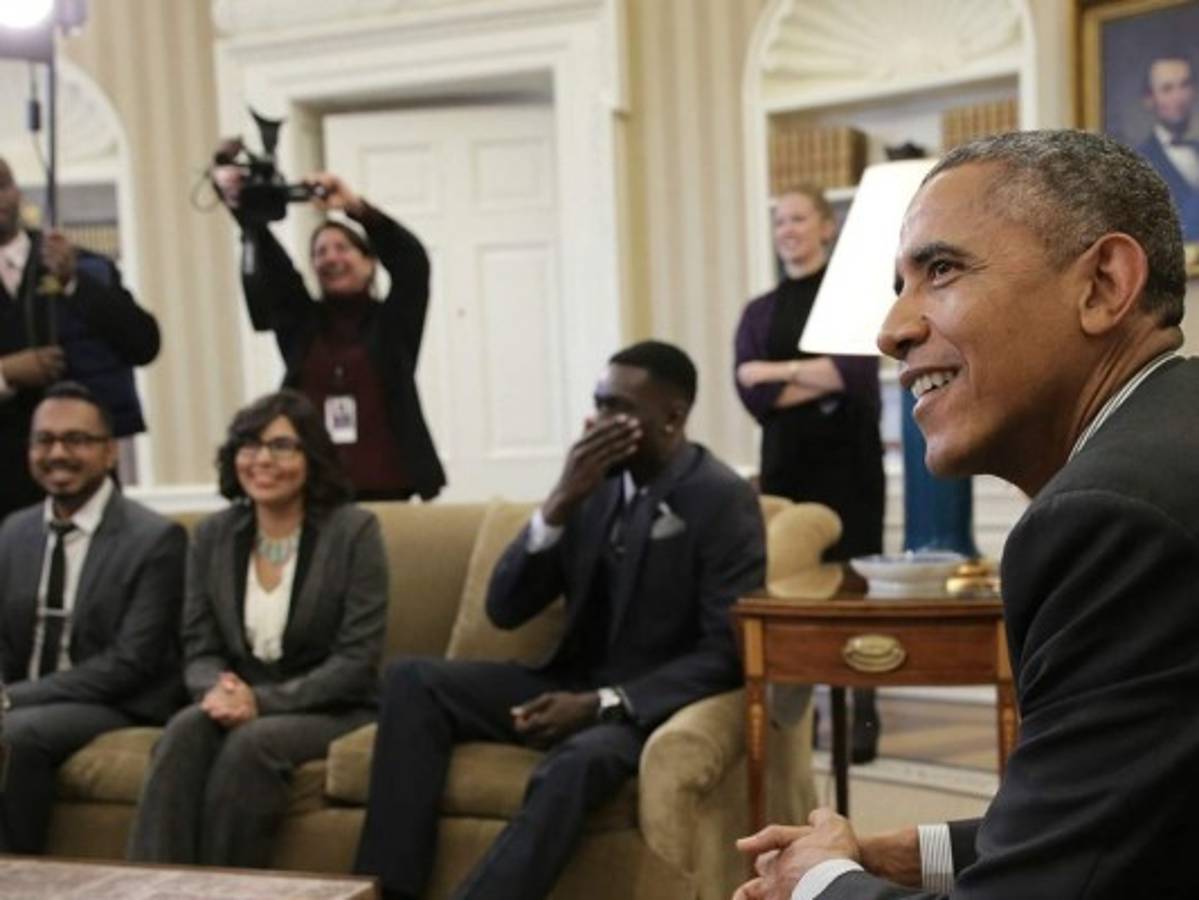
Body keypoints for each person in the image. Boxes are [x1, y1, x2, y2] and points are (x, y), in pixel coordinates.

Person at [733, 129, 1199, 899]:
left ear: (1102, 285)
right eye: (898, 285)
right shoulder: (1167, 438)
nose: (891, 331)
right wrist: (900, 854)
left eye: (941, 270)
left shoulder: (1109, 516)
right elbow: (1123, 809)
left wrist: (817, 883)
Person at [354, 340, 765, 900]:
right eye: (598, 403)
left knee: (577, 763)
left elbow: (724, 653)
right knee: (412, 680)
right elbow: (505, 608)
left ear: (672, 417)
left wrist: (604, 703)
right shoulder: (590, 486)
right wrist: (557, 505)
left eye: (619, 408)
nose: (598, 421)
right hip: (566, 680)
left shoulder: (721, 499)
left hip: (642, 711)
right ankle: (385, 894)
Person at [127, 389, 388, 867]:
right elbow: (199, 646)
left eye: (282, 446)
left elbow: (356, 660)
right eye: (249, 445)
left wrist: (261, 702)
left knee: (253, 743)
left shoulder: (354, 532)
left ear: (311, 458)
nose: (263, 460)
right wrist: (219, 692)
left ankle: (227, 890)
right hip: (238, 699)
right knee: (184, 729)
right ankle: (153, 885)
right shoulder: (212, 535)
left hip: (333, 707)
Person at [0, 381, 186, 854]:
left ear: (109, 452)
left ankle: (18, 876)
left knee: (15, 735)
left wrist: (11, 698)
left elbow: (131, 662)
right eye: (44, 440)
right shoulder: (14, 531)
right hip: (26, 697)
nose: (57, 453)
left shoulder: (155, 539)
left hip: (116, 701)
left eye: (76, 440)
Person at [733, 185, 884, 763]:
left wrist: (778, 372)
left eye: (798, 218)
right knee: (790, 583)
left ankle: (863, 707)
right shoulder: (759, 312)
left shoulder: (851, 299)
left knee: (854, 585)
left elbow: (858, 378)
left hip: (850, 465)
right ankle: (803, 714)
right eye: (780, 222)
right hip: (786, 466)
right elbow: (752, 393)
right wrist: (818, 376)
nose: (787, 230)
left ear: (826, 227)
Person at [213, 160, 445, 501]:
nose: (331, 258)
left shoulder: (393, 322)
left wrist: (354, 207)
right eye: (320, 252)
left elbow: (412, 263)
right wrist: (239, 200)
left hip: (387, 488)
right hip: (312, 490)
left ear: (370, 264)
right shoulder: (301, 322)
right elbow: (273, 267)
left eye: (342, 248)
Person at [0, 157, 160, 520]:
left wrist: (75, 283)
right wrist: (6, 372)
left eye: (1, 185)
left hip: (84, 478)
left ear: (17, 192)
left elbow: (144, 344)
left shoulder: (86, 267)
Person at [1136, 53, 1199, 242]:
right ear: (1149, 99)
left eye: (1184, 85)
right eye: (1167, 88)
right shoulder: (1139, 162)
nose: (1179, 97)